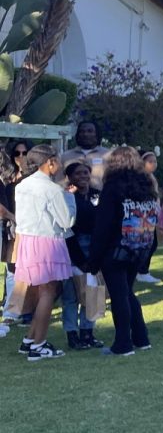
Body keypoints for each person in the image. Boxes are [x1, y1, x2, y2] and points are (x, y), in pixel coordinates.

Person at [85, 146, 157, 356]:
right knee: (128, 292)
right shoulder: (146, 186)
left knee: (119, 296)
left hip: (115, 250)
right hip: (139, 247)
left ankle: (123, 343)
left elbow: (104, 226)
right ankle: (141, 337)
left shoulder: (113, 188)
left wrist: (94, 258)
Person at [14, 145, 74, 362]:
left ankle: (31, 339)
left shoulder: (22, 186)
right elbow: (66, 221)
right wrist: (70, 198)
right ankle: (38, 345)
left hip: (27, 240)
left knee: (43, 292)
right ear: (49, 162)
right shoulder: (52, 189)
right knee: (49, 292)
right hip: (48, 241)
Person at [61, 160, 104, 350]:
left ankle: (88, 332)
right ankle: (72, 334)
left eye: (86, 173)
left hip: (95, 246)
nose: (83, 177)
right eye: (78, 174)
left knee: (92, 292)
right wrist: (79, 258)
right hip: (73, 245)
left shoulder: (97, 195)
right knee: (71, 295)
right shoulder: (66, 197)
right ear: (69, 177)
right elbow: (66, 227)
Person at [1, 139, 28, 327]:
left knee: (27, 270)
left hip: (30, 226)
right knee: (12, 269)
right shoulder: (8, 176)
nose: (20, 157)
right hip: (12, 226)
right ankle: (11, 311)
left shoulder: (35, 175)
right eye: (17, 153)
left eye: (24, 153)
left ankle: (23, 310)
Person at [60, 120, 111, 190]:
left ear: (96, 134)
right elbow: (59, 181)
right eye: (82, 131)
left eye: (90, 131)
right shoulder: (66, 156)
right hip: (72, 198)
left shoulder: (108, 155)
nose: (85, 134)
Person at [136, 151, 162, 284]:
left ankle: (142, 269)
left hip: (153, 213)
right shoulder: (141, 178)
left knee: (152, 243)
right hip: (145, 215)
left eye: (155, 161)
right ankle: (142, 270)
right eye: (150, 161)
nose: (153, 164)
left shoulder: (150, 176)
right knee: (148, 243)